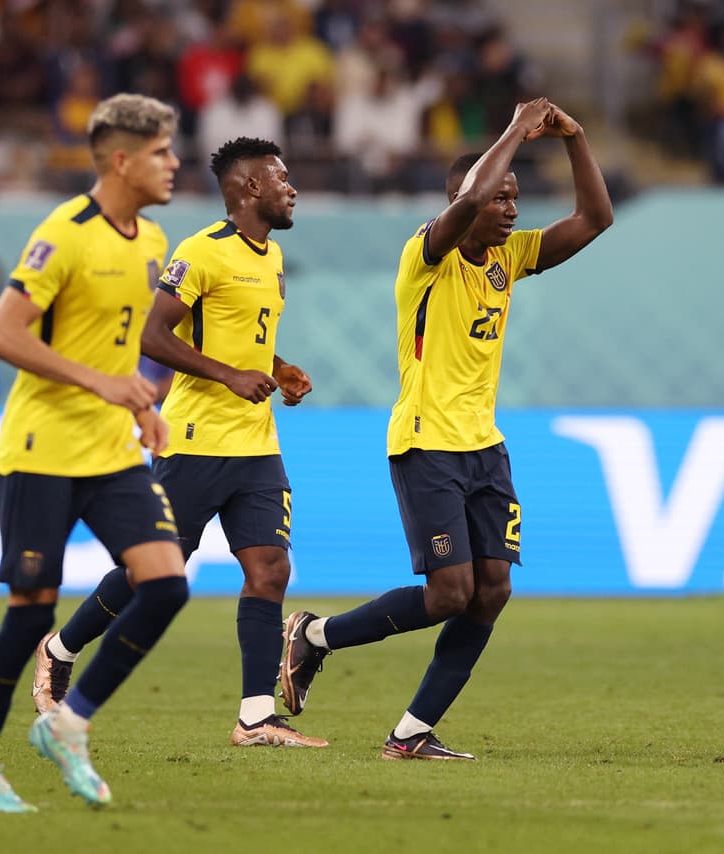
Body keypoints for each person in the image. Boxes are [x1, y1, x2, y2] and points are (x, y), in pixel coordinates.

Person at [279, 97, 613, 760]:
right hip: (426, 442)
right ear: (469, 199)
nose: (512, 208)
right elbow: (470, 198)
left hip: (485, 448)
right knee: (449, 592)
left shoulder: (509, 258)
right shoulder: (425, 256)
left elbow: (595, 218)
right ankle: (314, 636)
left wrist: (573, 136)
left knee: (492, 592)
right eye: (501, 199)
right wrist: (516, 125)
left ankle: (411, 733)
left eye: (517, 199)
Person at [32, 137, 324, 749]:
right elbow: (153, 335)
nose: (291, 188)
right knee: (153, 571)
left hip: (256, 445)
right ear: (249, 189)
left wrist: (279, 365)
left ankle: (255, 716)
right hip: (194, 440)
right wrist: (230, 376)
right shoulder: (201, 252)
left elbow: (236, 340)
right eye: (281, 178)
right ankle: (60, 648)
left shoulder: (269, 257)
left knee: (270, 570)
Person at [0, 93, 189, 813]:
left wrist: (142, 401)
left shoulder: (151, 240)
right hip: (41, 449)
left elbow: (124, 336)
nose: (174, 163)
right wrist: (101, 384)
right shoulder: (65, 232)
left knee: (167, 584)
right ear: (121, 159)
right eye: (161, 153)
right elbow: (2, 334)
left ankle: (69, 723)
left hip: (109, 449)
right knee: (29, 616)